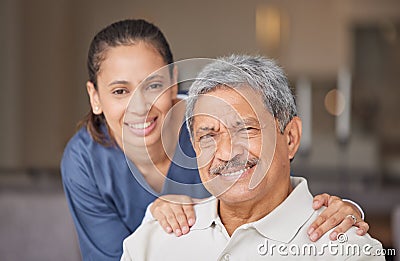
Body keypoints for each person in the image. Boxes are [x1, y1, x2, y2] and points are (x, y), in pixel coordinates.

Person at [61, 19, 368, 261]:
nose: (140, 106)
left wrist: (342, 211)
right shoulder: (84, 161)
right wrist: (153, 222)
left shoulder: (208, 116)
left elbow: (274, 180)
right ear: (95, 97)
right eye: (120, 91)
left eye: (153, 85)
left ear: (172, 83)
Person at [121, 55, 383, 260]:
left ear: (290, 137)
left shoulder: (347, 250)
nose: (226, 153)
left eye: (246, 130)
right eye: (208, 136)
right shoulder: (152, 241)